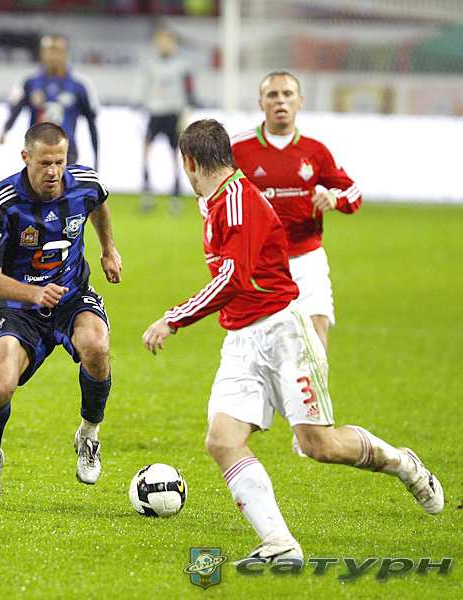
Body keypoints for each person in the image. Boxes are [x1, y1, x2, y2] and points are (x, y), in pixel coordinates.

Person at [142, 119, 443, 564]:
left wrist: (174, 319)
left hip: (283, 336)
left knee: (321, 446)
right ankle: (280, 544)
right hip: (240, 340)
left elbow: (233, 277)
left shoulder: (238, 202)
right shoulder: (217, 200)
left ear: (188, 162)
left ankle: (403, 463)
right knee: (222, 440)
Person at [0, 122, 122, 508]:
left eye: (59, 162)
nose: (54, 171)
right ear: (26, 158)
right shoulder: (2, 203)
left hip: (71, 296)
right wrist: (35, 293)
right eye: (45, 163)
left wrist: (108, 249)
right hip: (19, 308)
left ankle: (89, 435)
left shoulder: (84, 183)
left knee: (96, 346)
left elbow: (99, 202)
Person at [231, 71, 360, 354]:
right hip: (258, 262)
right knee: (262, 350)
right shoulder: (238, 149)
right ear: (261, 103)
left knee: (317, 333)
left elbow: (352, 191)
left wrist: (334, 198)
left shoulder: (315, 151)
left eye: (287, 94)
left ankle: (315, 387)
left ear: (299, 101)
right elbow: (211, 194)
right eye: (273, 95)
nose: (281, 101)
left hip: (306, 258)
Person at [0, 35, 101, 169]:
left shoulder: (79, 85)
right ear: (41, 53)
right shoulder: (30, 81)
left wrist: (96, 160)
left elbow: (91, 121)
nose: (52, 55)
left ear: (66, 54)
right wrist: (6, 129)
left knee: (61, 181)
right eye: (48, 50)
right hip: (36, 151)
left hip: (67, 152)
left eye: (57, 51)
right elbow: (16, 109)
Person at [134, 25, 195, 214]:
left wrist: (189, 108)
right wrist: (138, 104)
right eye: (160, 42)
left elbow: (189, 88)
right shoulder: (149, 65)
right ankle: (147, 192)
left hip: (173, 112)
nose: (164, 45)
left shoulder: (182, 66)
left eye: (167, 41)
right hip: (154, 112)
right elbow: (143, 87)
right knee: (146, 152)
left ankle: (176, 194)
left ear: (173, 43)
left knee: (176, 155)